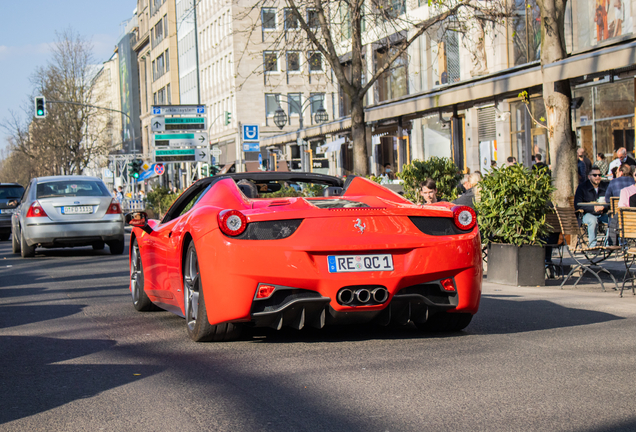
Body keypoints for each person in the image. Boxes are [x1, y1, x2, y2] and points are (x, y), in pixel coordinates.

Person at [574, 166, 609, 247]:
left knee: (612, 219)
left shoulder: (605, 186)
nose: (598, 177)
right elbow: (577, 204)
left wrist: (603, 207)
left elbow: (610, 201)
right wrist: (593, 208)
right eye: (595, 175)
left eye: (599, 175)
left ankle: (608, 244)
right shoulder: (582, 187)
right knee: (592, 220)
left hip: (602, 213)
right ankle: (592, 246)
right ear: (589, 176)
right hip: (587, 214)